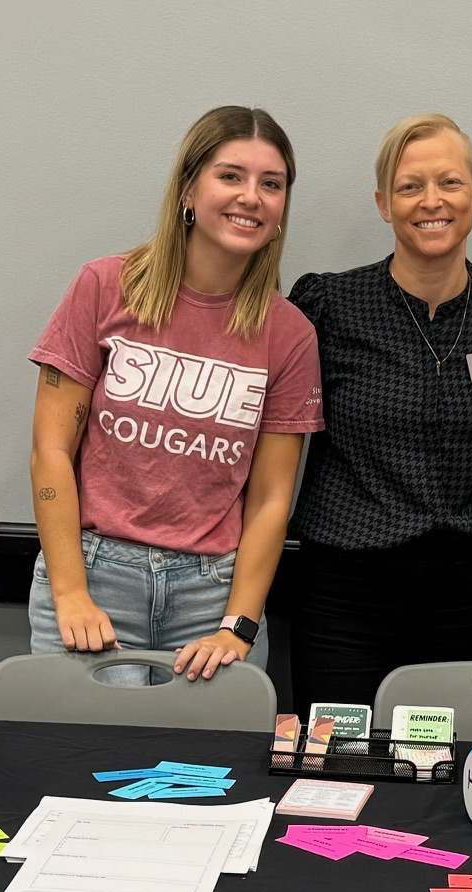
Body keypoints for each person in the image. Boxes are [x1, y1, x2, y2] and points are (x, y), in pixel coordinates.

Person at [286, 114, 472, 712]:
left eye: (449, 182)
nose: (431, 201)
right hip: (342, 586)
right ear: (382, 203)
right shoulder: (329, 304)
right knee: (341, 761)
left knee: (435, 764)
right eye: (409, 186)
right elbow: (271, 413)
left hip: (460, 588)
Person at [27, 106, 323, 682]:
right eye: (230, 176)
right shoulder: (106, 287)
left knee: (207, 774)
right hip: (95, 578)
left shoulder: (289, 335)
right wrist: (70, 593)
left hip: (211, 598)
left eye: (272, 184)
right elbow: (51, 452)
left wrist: (239, 624)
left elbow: (269, 500)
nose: (251, 197)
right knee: (85, 768)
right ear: (189, 189)